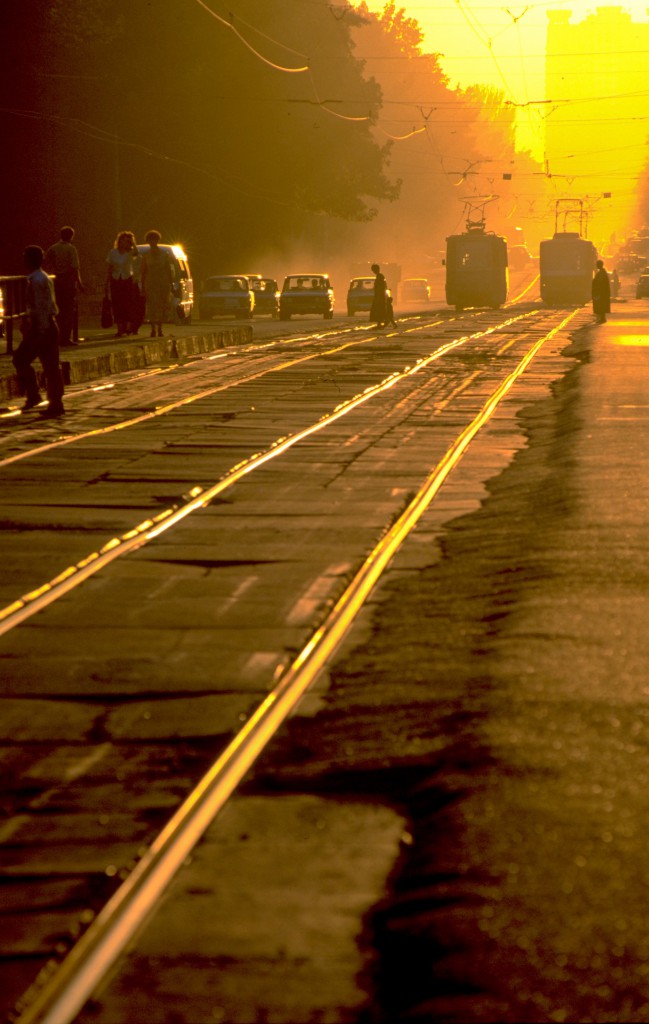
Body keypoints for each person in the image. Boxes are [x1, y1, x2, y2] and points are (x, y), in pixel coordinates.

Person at [13, 245, 65, 417]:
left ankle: (35, 394)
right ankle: (54, 402)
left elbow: (41, 306)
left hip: (42, 327)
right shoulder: (43, 278)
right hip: (48, 325)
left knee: (21, 359)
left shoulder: (35, 280)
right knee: (51, 366)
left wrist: (39, 328)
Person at [44, 225, 83, 347]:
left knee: (58, 309)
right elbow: (75, 268)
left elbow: (45, 261)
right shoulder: (71, 249)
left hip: (57, 280)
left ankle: (58, 336)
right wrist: (80, 283)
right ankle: (66, 337)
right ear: (71, 236)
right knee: (69, 310)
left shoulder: (53, 248)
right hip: (68, 281)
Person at [140, 229, 174, 337]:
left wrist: (171, 283)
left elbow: (168, 269)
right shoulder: (146, 255)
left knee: (163, 306)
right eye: (150, 239)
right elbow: (143, 271)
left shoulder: (164, 254)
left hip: (163, 283)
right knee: (152, 306)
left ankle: (160, 328)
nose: (153, 241)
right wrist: (142, 286)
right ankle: (153, 329)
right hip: (151, 283)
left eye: (154, 239)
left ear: (157, 240)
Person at [105, 230, 138, 337]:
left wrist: (132, 243)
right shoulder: (113, 252)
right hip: (116, 280)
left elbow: (137, 253)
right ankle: (120, 328)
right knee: (117, 304)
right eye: (122, 241)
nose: (123, 243)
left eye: (126, 241)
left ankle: (128, 327)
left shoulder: (130, 252)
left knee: (128, 303)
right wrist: (107, 281)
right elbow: (110, 267)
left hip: (127, 279)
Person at [592, 259, 611, 324]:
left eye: (597, 265)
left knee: (601, 305)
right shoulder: (602, 272)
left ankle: (602, 318)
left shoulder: (601, 273)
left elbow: (600, 284)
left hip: (601, 293)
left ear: (600, 265)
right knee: (601, 305)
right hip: (601, 292)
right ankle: (602, 318)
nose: (596, 266)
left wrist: (597, 292)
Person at [370, 263, 388, 327]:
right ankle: (379, 322)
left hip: (379, 295)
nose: (373, 272)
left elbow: (380, 287)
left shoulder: (380, 276)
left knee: (379, 309)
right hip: (379, 295)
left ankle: (380, 322)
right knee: (379, 309)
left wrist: (378, 296)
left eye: (373, 270)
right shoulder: (379, 276)